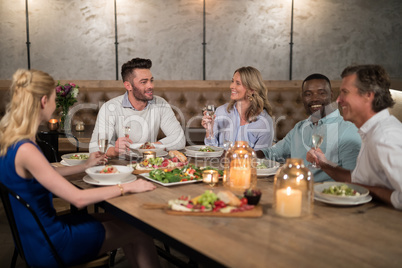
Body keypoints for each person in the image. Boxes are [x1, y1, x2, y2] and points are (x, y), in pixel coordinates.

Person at [0, 69, 161, 267]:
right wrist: (128, 187)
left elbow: (46, 174)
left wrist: (85, 166)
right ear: (43, 101)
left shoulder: (11, 140)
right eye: (54, 99)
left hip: (31, 238)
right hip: (52, 243)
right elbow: (78, 198)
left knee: (123, 220)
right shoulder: (26, 148)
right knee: (140, 229)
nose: (55, 104)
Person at [307, 65, 402, 209]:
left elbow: (364, 186)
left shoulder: (385, 137)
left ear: (368, 95)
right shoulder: (370, 132)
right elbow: (357, 180)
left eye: (345, 92)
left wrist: (370, 190)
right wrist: (323, 164)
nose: (338, 100)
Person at [256, 73, 361, 182]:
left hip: (323, 196)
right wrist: (246, 153)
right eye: (308, 94)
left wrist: (323, 164)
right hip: (293, 190)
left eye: (321, 93)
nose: (314, 98)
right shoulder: (299, 128)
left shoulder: (348, 130)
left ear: (331, 95)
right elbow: (272, 153)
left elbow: (353, 180)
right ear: (303, 97)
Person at [89, 57, 186, 157]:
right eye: (144, 82)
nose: (150, 86)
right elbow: (94, 147)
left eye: (151, 80)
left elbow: (179, 139)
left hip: (150, 163)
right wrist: (114, 151)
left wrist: (147, 147)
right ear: (128, 86)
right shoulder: (110, 108)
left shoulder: (160, 104)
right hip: (120, 165)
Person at [201, 66, 274, 150]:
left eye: (238, 83)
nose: (231, 86)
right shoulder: (221, 111)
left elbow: (260, 158)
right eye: (232, 81)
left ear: (251, 90)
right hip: (218, 163)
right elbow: (211, 150)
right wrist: (209, 131)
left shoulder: (264, 122)